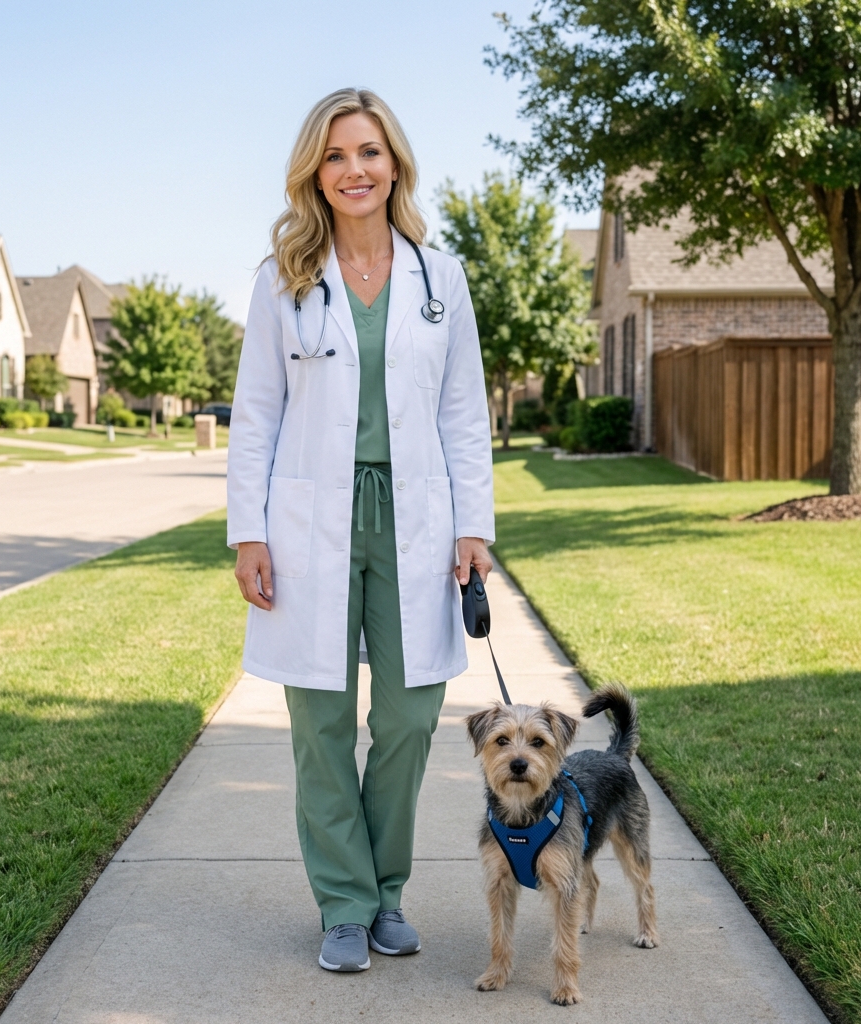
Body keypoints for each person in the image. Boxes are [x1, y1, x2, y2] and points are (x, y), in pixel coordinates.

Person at [227, 88, 494, 973]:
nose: (355, 171)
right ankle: (345, 904)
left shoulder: (438, 276)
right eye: (337, 156)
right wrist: (249, 532)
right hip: (311, 519)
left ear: (396, 165)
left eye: (370, 153)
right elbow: (256, 412)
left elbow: (465, 413)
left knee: (414, 713)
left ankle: (386, 890)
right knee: (321, 719)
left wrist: (473, 525)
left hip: (414, 516)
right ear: (316, 170)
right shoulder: (285, 276)